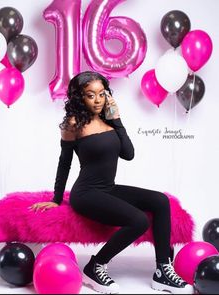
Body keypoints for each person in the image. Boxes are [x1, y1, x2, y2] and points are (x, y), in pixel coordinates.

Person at [30, 71, 193, 294]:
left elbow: (129, 154)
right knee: (138, 221)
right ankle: (95, 266)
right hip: (86, 194)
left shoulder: (109, 121)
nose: (97, 100)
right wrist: (57, 199)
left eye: (101, 94)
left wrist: (116, 119)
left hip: (108, 189)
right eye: (90, 95)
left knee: (160, 201)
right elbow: (64, 164)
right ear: (80, 97)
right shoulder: (73, 124)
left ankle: (162, 270)